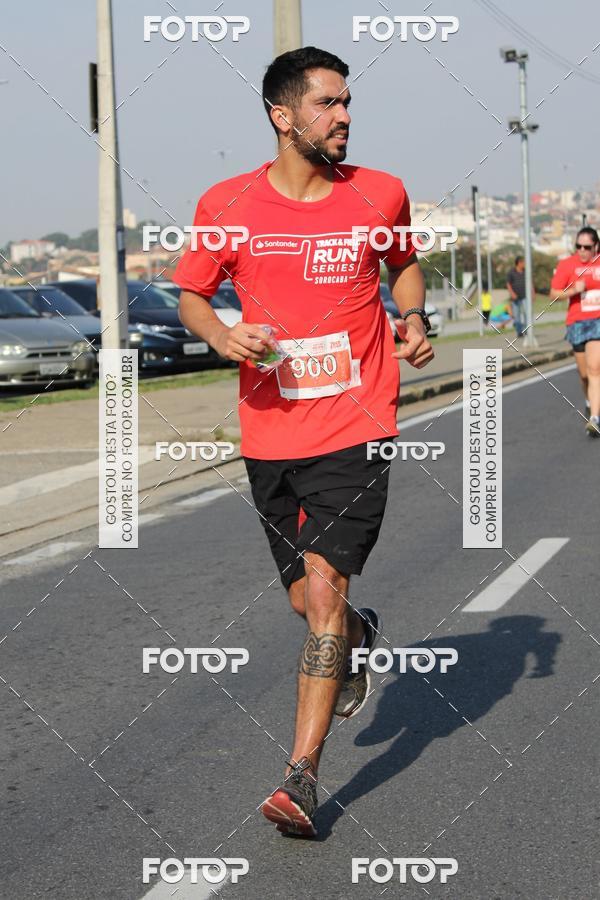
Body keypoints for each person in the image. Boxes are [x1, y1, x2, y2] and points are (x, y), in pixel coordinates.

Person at [174, 46, 434, 836]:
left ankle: (302, 776)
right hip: (271, 429)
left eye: (348, 103)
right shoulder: (228, 203)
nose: (345, 116)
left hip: (357, 425)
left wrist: (413, 318)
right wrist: (222, 335)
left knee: (323, 594)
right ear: (283, 116)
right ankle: (360, 637)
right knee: (305, 600)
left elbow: (405, 265)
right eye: (327, 104)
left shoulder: (380, 194)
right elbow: (191, 294)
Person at [550, 226, 600, 437]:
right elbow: (554, 293)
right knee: (584, 375)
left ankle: (595, 418)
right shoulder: (567, 265)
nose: (582, 251)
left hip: (597, 320)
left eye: (586, 247)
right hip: (577, 322)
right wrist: (573, 290)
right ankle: (589, 400)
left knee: (595, 368)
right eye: (578, 246)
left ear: (596, 246)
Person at [506, 255, 529, 338]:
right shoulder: (511, 272)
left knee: (527, 313)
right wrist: (512, 293)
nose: (524, 264)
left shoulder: (526, 271)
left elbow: (530, 282)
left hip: (525, 296)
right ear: (519, 263)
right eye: (523, 262)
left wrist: (532, 293)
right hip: (515, 297)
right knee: (517, 315)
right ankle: (519, 331)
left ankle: (526, 330)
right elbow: (508, 284)